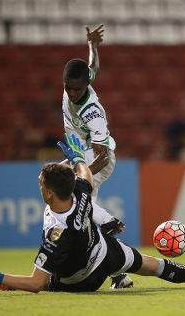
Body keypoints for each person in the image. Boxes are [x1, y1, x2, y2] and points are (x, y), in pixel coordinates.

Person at [0, 134, 185, 293]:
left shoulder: (56, 234)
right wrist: (76, 157)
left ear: (50, 193)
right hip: (104, 252)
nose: (39, 186)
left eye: (41, 183)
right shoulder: (80, 192)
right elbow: (85, 172)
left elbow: (35, 283)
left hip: (82, 280)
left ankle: (5, 282)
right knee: (152, 265)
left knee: (49, 282)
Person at [60, 25, 126, 261]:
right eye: (68, 87)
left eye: (77, 89)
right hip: (82, 154)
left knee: (63, 184)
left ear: (86, 85)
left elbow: (104, 156)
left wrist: (82, 176)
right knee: (82, 216)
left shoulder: (93, 113)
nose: (72, 93)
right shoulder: (77, 82)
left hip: (97, 158)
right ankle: (118, 274)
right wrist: (93, 45)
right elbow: (93, 67)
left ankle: (108, 221)